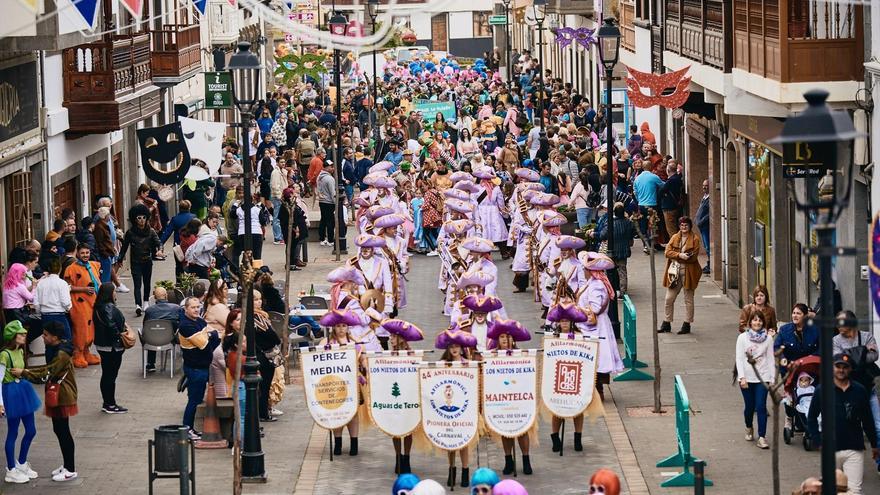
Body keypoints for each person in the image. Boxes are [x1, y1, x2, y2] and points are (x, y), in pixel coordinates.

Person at [12, 321, 79, 482]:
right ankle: (67, 465)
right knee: (59, 430)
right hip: (59, 395)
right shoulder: (58, 348)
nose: (43, 337)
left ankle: (70, 468)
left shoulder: (61, 354)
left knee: (63, 432)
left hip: (63, 395)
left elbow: (47, 372)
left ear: (55, 337)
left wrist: (24, 372)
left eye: (46, 334)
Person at [807, 354, 879, 495]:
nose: (841, 370)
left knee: (853, 491)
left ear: (850, 369)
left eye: (845, 367)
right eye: (838, 366)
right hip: (830, 449)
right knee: (831, 490)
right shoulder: (822, 390)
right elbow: (811, 417)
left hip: (854, 448)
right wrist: (817, 440)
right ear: (832, 368)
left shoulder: (859, 390)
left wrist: (875, 445)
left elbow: (868, 419)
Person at [832, 309, 880, 472]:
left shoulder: (867, 336)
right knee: (848, 427)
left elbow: (874, 356)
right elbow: (838, 361)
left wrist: (850, 356)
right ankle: (848, 464)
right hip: (847, 390)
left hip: (868, 389)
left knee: (878, 426)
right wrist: (863, 350)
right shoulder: (835, 340)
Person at [487, 319, 533, 475]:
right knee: (504, 429)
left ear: (512, 339)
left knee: (522, 429)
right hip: (501, 398)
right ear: (497, 340)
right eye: (501, 337)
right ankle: (508, 460)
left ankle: (526, 459)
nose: (505, 340)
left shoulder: (522, 355)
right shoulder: (492, 357)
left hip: (519, 397)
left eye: (507, 337)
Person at [318, 309, 365, 455]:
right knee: (337, 411)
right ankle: (337, 442)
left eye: (344, 326)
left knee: (353, 412)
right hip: (334, 382)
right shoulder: (326, 342)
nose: (341, 329)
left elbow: (362, 360)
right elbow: (318, 360)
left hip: (352, 382)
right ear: (333, 327)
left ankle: (354, 443)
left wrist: (364, 368)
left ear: (348, 327)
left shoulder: (355, 341)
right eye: (338, 326)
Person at [435, 328, 477, 488]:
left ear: (461, 348)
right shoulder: (441, 365)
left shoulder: (469, 365)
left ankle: (465, 471)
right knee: (450, 441)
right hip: (448, 408)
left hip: (465, 408)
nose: (454, 349)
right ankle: (452, 469)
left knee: (464, 441)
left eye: (457, 346)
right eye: (451, 346)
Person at [381, 319, 424, 474]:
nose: (390, 340)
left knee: (408, 428)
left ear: (400, 338)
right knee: (395, 428)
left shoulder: (412, 355)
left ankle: (407, 457)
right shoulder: (387, 355)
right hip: (393, 396)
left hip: (409, 395)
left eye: (392, 337)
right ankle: (398, 457)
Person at [1, 321, 41, 484]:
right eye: (21, 334)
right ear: (13, 336)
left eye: (24, 333)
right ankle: (11, 469)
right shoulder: (5, 354)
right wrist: (1, 403)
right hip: (11, 392)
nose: (24, 336)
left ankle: (22, 463)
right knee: (13, 432)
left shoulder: (20, 351)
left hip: (23, 390)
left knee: (31, 430)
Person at [178, 297, 221, 439]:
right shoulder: (186, 326)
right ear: (186, 309)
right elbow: (204, 346)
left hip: (202, 365)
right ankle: (187, 429)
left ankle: (189, 428)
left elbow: (214, 335)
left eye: (198, 307)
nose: (196, 310)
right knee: (194, 400)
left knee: (196, 399)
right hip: (195, 368)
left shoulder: (199, 320)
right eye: (193, 307)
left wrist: (209, 335)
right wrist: (209, 335)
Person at [735, 309, 774, 449]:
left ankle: (762, 437)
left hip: (762, 377)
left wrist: (773, 380)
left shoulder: (768, 339)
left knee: (761, 406)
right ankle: (748, 426)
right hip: (747, 378)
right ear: (750, 322)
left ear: (763, 322)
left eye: (759, 320)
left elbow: (770, 359)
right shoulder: (742, 338)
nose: (757, 322)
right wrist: (742, 377)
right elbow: (739, 359)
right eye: (754, 320)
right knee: (749, 407)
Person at [117, 204, 163, 316]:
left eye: (143, 217)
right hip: (135, 262)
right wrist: (120, 259)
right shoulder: (130, 233)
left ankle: (146, 302)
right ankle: (138, 305)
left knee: (147, 283)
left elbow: (158, 242)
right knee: (137, 284)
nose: (142, 220)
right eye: (139, 218)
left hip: (147, 261)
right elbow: (124, 247)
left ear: (147, 218)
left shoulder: (151, 231)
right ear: (134, 219)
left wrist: (159, 250)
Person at [659, 217, 702, 335]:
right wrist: (680, 255)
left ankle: (687, 324)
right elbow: (667, 252)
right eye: (682, 225)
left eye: (686, 225)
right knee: (669, 298)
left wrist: (680, 256)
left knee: (688, 299)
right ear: (679, 226)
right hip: (674, 273)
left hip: (689, 273)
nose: (684, 227)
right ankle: (667, 322)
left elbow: (693, 257)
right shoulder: (674, 237)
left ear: (690, 226)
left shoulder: (695, 239)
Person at [64, 244, 101, 368]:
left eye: (87, 252)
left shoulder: (93, 265)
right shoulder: (71, 268)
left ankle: (86, 351)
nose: (85, 255)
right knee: (81, 328)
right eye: (83, 253)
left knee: (91, 328)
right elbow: (67, 287)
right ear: (77, 253)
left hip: (93, 302)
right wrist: (84, 289)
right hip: (79, 303)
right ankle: (78, 354)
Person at [92, 283, 127, 414]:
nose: (115, 293)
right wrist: (119, 337)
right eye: (114, 291)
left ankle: (108, 402)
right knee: (110, 376)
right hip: (111, 346)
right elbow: (111, 325)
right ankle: (110, 404)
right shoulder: (108, 308)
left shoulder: (98, 307)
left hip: (102, 345)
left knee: (106, 374)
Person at [33, 258, 72, 343]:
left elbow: (36, 302)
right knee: (66, 340)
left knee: (48, 341)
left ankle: (50, 356)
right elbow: (66, 302)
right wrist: (68, 307)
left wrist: (40, 311)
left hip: (45, 315)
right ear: (60, 269)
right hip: (59, 315)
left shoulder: (41, 283)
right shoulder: (62, 283)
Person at [142, 287, 180, 373]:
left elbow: (145, 326)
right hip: (170, 339)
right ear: (166, 296)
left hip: (152, 340)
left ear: (154, 297)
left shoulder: (149, 310)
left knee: (152, 331)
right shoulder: (176, 308)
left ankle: (151, 363)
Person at [774, 303, 819, 375]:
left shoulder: (815, 330)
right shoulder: (784, 330)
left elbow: (822, 348)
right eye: (793, 313)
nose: (795, 316)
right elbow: (776, 347)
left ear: (805, 316)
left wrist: (810, 359)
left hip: (810, 369)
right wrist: (783, 360)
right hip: (789, 369)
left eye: (798, 313)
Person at [3, 263, 34, 330]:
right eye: (23, 272)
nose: (25, 274)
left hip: (8, 313)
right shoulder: (19, 286)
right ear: (18, 273)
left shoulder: (7, 284)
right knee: (35, 322)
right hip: (18, 313)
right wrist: (34, 286)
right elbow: (32, 299)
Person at [317, 160, 337, 246]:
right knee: (330, 221)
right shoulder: (329, 179)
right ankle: (330, 240)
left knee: (323, 220)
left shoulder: (319, 177)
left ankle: (322, 238)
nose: (333, 168)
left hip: (322, 201)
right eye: (331, 166)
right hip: (329, 202)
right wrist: (336, 203)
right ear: (326, 167)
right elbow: (333, 193)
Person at [695, 179, 711, 273]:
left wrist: (701, 221)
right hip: (701, 225)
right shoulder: (705, 197)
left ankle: (710, 265)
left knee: (708, 246)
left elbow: (709, 214)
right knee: (706, 246)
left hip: (705, 226)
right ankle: (709, 264)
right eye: (703, 185)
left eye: (706, 186)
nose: (704, 187)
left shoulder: (709, 198)